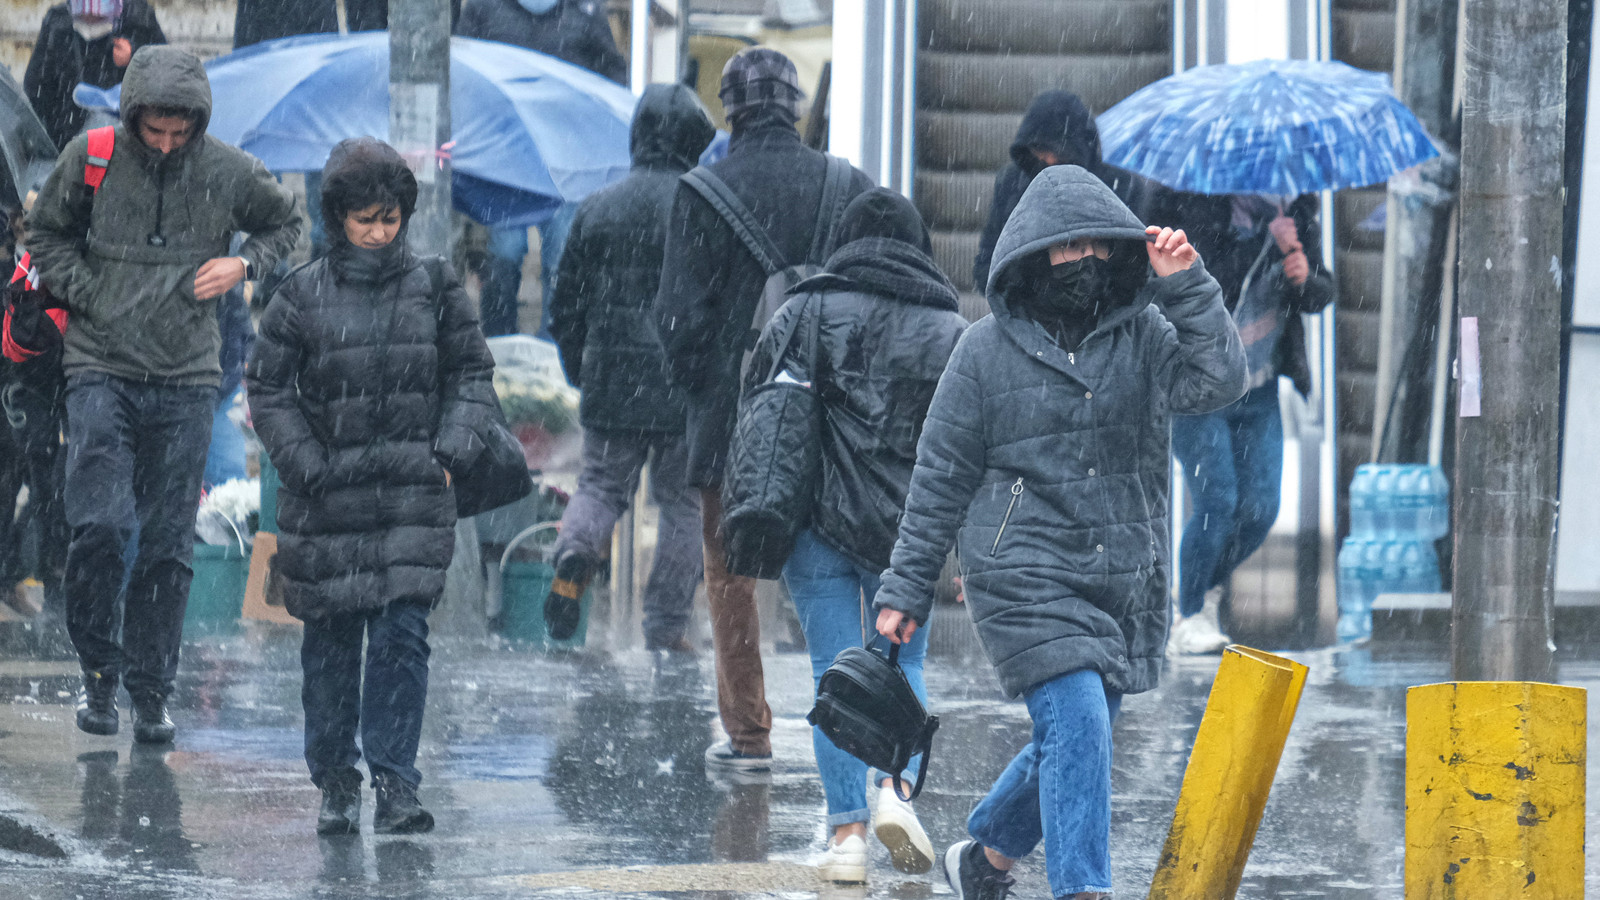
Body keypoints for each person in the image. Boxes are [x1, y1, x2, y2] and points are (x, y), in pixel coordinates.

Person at [871, 165, 1247, 900]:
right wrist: (906, 586)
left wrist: (1188, 286)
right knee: (1079, 724)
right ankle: (1083, 890)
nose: (1081, 259)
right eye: (1065, 246)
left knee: (1078, 734)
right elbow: (940, 475)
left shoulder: (1144, 335)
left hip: (1119, 576)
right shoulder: (982, 352)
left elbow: (1220, 380)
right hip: (1021, 572)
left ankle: (984, 860)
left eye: (1094, 244)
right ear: (1033, 252)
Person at [26, 45, 301, 743]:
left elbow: (286, 224)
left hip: (186, 377)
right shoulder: (90, 156)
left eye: (181, 131)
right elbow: (45, 235)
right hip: (99, 367)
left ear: (199, 123)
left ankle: (151, 690)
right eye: (155, 129)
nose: (167, 143)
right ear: (133, 115)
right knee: (101, 526)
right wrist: (89, 293)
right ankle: (98, 673)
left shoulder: (229, 170)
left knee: (167, 545)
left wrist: (243, 264)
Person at [247, 137, 499, 836]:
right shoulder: (300, 295)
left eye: (390, 219)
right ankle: (335, 781)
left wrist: (452, 446)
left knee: (401, 641)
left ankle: (396, 783)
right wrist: (306, 462)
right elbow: (268, 388)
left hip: (413, 496)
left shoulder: (436, 286)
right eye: (365, 220)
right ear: (338, 218)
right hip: (327, 502)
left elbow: (472, 372)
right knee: (330, 650)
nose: (380, 233)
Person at [654, 46, 873, 772]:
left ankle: (749, 733)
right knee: (835, 565)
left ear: (731, 112)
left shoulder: (701, 191)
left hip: (734, 415)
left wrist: (708, 385)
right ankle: (851, 721)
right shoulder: (847, 185)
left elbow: (677, 320)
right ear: (795, 106)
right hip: (830, 409)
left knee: (730, 572)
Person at [746, 188, 966, 883]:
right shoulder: (952, 330)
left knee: (833, 676)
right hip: (909, 535)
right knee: (905, 666)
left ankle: (846, 838)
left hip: (816, 521)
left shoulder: (804, 310)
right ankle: (896, 791)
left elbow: (760, 405)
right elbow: (972, 450)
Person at [543, 85, 714, 652]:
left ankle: (575, 553)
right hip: (683, 386)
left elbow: (564, 306)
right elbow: (721, 307)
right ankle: (666, 625)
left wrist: (581, 367)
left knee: (600, 485)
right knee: (683, 504)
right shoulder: (705, 211)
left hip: (612, 378)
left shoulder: (597, 207)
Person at [1151, 190, 1336, 654]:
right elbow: (1209, 282)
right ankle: (1190, 614)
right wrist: (1263, 244)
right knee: (1217, 498)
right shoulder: (1191, 204)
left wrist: (1301, 271)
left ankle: (1196, 593)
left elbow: (1320, 294)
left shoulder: (1294, 214)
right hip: (1199, 386)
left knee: (1261, 507)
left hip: (1260, 386)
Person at [456, 0, 628, 337]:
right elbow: (463, 72)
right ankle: (512, 348)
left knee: (554, 258)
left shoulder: (583, 10)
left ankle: (543, 350)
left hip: (557, 161)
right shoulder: (487, 7)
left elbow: (612, 78)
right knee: (515, 256)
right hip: (513, 161)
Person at [971, 90, 1151, 292]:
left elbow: (1133, 266)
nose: (1049, 159)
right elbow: (989, 260)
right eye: (1040, 150)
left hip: (1102, 303)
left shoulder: (1121, 186)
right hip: (1028, 303)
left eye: (1059, 151)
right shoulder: (1012, 182)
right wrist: (1026, 293)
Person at [23, 0, 166, 150]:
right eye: (85, 13)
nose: (91, 18)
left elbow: (163, 72)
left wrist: (135, 56)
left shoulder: (138, 18)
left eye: (98, 15)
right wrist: (61, 127)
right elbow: (37, 85)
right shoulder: (58, 20)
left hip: (127, 142)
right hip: (68, 139)